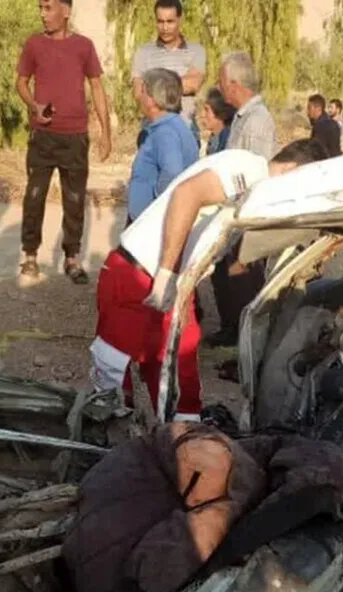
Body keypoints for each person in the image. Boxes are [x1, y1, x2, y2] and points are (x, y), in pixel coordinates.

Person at [91, 139, 328, 421]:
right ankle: (109, 432)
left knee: (180, 369)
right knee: (115, 370)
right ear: (290, 170)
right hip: (141, 273)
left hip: (175, 282)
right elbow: (187, 194)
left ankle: (184, 435)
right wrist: (166, 272)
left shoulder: (254, 193)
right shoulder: (248, 169)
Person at [15, 0, 111, 284]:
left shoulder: (84, 46)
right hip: (42, 137)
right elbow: (21, 83)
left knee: (74, 199)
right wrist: (34, 105)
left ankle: (72, 258)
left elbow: (97, 86)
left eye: (49, 8)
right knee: (34, 196)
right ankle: (30, 255)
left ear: (66, 11)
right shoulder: (34, 44)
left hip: (75, 138)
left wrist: (106, 132)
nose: (43, 14)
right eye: (41, 8)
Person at [207, 51, 277, 347]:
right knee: (229, 275)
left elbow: (256, 173)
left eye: (222, 81)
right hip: (235, 209)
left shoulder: (257, 121)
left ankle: (245, 344)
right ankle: (232, 332)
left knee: (243, 279)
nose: (219, 87)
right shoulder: (242, 118)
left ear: (234, 84)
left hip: (247, 212)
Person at [127, 68, 198, 224]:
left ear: (152, 99)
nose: (139, 97)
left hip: (152, 221)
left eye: (143, 91)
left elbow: (172, 172)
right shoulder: (174, 125)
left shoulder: (165, 132)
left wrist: (158, 203)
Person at [131, 0, 205, 147]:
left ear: (180, 20)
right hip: (151, 133)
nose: (165, 27)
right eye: (160, 21)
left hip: (186, 130)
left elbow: (193, 84)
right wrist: (178, 83)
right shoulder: (143, 52)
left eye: (170, 21)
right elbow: (138, 92)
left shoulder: (196, 51)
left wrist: (153, 86)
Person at [201, 87, 235, 155]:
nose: (202, 114)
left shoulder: (229, 141)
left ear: (219, 111)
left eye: (207, 110)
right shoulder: (212, 141)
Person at [306, 93, 341, 159]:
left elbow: (314, 152)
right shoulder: (333, 122)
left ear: (318, 108)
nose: (307, 112)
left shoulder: (320, 126)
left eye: (309, 108)